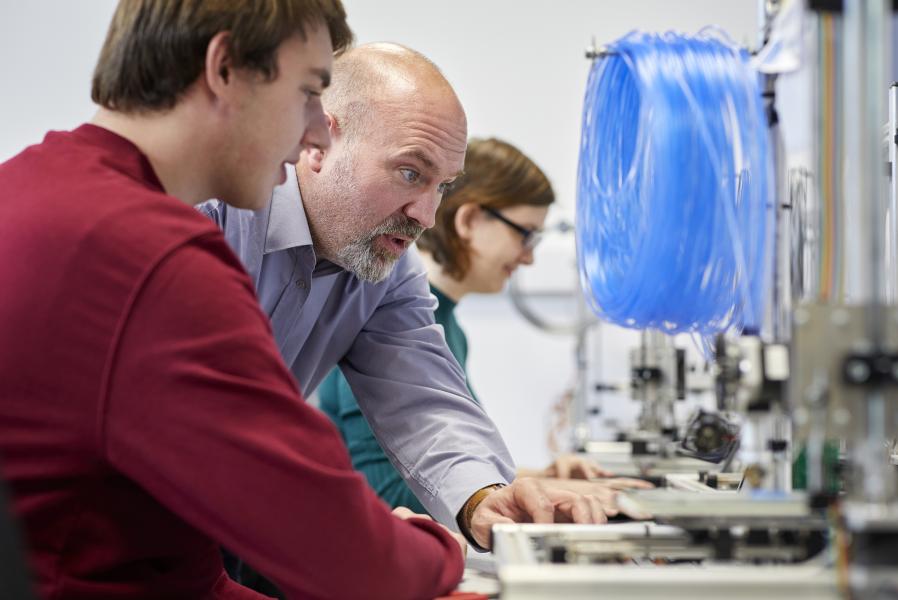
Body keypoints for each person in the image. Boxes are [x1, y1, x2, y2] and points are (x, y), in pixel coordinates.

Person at [0, 2, 474, 598]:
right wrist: (437, 553)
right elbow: (342, 552)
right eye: (307, 93)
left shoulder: (28, 186)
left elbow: (170, 566)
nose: (314, 133)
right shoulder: (152, 255)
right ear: (224, 68)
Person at [200, 41, 622, 563]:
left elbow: (422, 398)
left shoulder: (387, 270)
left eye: (443, 186)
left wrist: (481, 497)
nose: (426, 214)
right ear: (318, 140)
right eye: (409, 173)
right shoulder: (213, 215)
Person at [318, 137, 641, 514]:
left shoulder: (447, 325)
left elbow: (444, 473)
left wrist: (541, 479)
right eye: (525, 234)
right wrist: (545, 489)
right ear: (469, 219)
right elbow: (389, 493)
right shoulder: (389, 324)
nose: (529, 258)